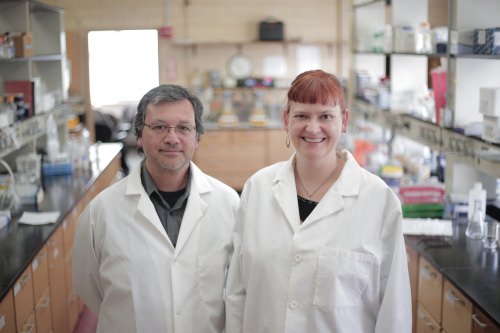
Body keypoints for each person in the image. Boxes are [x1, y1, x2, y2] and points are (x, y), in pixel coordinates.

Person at [225, 70, 411, 333]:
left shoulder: (379, 201)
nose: (313, 128)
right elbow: (237, 292)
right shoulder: (258, 188)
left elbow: (394, 311)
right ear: (286, 119)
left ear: (343, 121)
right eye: (301, 115)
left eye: (325, 116)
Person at [73, 84, 240, 333]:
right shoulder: (101, 213)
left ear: (197, 138)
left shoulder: (229, 204)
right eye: (160, 127)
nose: (172, 138)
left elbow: (237, 285)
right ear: (139, 135)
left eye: (183, 128)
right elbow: (89, 287)